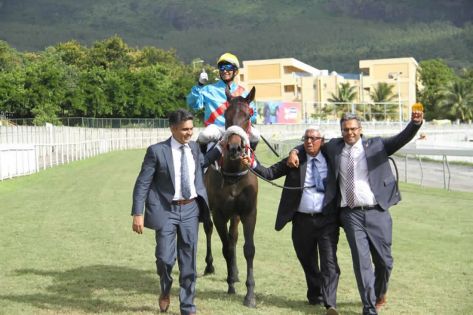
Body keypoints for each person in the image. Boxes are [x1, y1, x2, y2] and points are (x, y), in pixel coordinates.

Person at [287, 111, 424, 315]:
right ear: (341, 131)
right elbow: (312, 143)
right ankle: (369, 308)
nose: (349, 133)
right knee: (362, 264)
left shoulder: (376, 145)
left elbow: (400, 139)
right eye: (346, 130)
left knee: (384, 262)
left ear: (360, 130)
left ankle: (380, 292)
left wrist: (415, 124)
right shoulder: (335, 147)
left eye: (353, 129)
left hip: (377, 211)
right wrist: (294, 151)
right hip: (351, 215)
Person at [131, 109, 222, 315]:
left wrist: (221, 148)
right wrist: (138, 212)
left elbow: (201, 163)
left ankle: (187, 306)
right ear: (172, 129)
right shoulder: (156, 151)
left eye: (191, 129)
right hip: (165, 210)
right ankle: (165, 289)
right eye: (184, 130)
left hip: (191, 209)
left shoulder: (194, 149)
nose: (189, 133)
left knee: (188, 260)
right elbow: (142, 183)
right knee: (165, 259)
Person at [242, 127, 340, 315]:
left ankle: (330, 304)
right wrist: (252, 163)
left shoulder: (331, 158)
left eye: (313, 138)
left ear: (322, 141)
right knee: (307, 260)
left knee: (329, 262)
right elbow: (269, 173)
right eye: (306, 138)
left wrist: (296, 149)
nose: (309, 142)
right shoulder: (294, 161)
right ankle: (315, 295)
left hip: (327, 220)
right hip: (302, 220)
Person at [186, 52, 260, 150]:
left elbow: (253, 115)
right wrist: (199, 84)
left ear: (235, 71)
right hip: (217, 128)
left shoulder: (244, 93)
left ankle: (252, 158)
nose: (225, 70)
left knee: (256, 135)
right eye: (222, 68)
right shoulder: (209, 89)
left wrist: (247, 119)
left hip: (238, 129)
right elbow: (192, 104)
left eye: (228, 67)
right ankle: (199, 162)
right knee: (205, 135)